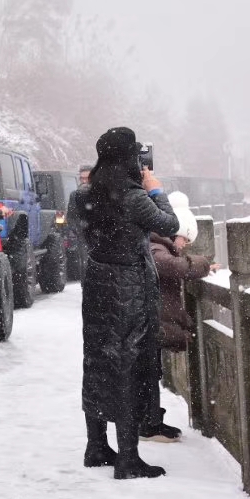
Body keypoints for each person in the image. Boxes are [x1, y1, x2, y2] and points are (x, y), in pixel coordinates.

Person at [77, 127, 182, 479]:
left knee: (96, 359)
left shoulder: (83, 195)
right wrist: (157, 190)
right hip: (129, 286)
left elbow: (81, 231)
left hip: (97, 283)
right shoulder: (133, 196)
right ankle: (128, 458)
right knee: (129, 363)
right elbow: (169, 224)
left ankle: (96, 446)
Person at [143, 193, 216, 442]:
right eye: (185, 238)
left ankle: (152, 420)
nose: (184, 245)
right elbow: (170, 265)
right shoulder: (155, 245)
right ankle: (148, 424)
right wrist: (202, 264)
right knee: (148, 373)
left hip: (151, 318)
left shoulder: (157, 243)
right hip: (147, 319)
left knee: (151, 372)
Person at [64, 165, 92, 277]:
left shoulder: (102, 194)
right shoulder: (74, 195)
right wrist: (78, 228)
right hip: (83, 237)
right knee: (85, 266)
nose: (84, 181)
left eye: (87, 178)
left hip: (101, 238)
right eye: (82, 178)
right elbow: (70, 216)